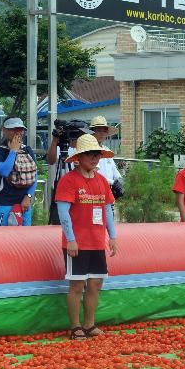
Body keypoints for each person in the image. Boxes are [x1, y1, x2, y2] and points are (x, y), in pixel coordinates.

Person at [54, 134, 118, 340]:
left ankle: (90, 324)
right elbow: (63, 213)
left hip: (97, 241)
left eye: (97, 154)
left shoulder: (101, 181)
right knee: (77, 285)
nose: (95, 158)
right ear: (79, 157)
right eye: (90, 154)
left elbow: (107, 210)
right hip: (77, 243)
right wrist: (70, 239)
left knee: (95, 284)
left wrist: (113, 236)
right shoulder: (69, 180)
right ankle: (75, 326)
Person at [0, 118, 38, 226]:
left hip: (24, 204)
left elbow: (35, 175)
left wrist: (28, 196)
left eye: (20, 129)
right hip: (4, 202)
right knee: (4, 239)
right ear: (4, 130)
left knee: (24, 239)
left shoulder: (27, 150)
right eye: (13, 129)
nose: (18, 132)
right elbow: (4, 171)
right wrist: (13, 151)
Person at [47, 119, 91, 225]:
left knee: (79, 221)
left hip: (80, 191)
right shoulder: (62, 147)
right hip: (61, 190)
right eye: (79, 133)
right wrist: (55, 140)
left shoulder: (87, 149)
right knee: (59, 220)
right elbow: (50, 160)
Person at [89, 116, 124, 198]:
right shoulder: (88, 150)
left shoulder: (106, 149)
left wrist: (120, 180)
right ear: (92, 132)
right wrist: (113, 182)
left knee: (109, 210)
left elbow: (113, 169)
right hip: (94, 191)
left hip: (108, 191)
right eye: (98, 130)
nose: (102, 133)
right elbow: (93, 172)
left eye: (104, 131)